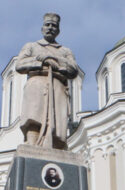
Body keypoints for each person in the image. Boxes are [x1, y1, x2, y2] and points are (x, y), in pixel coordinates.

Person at [16, 13, 78, 150]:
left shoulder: (65, 51)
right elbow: (19, 65)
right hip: (36, 84)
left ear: (58, 30)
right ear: (42, 28)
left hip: (57, 87)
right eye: (47, 25)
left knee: (57, 122)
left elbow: (73, 69)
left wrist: (55, 59)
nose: (50, 28)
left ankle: (55, 148)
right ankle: (32, 144)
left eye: (54, 26)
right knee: (34, 115)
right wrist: (42, 60)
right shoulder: (32, 46)